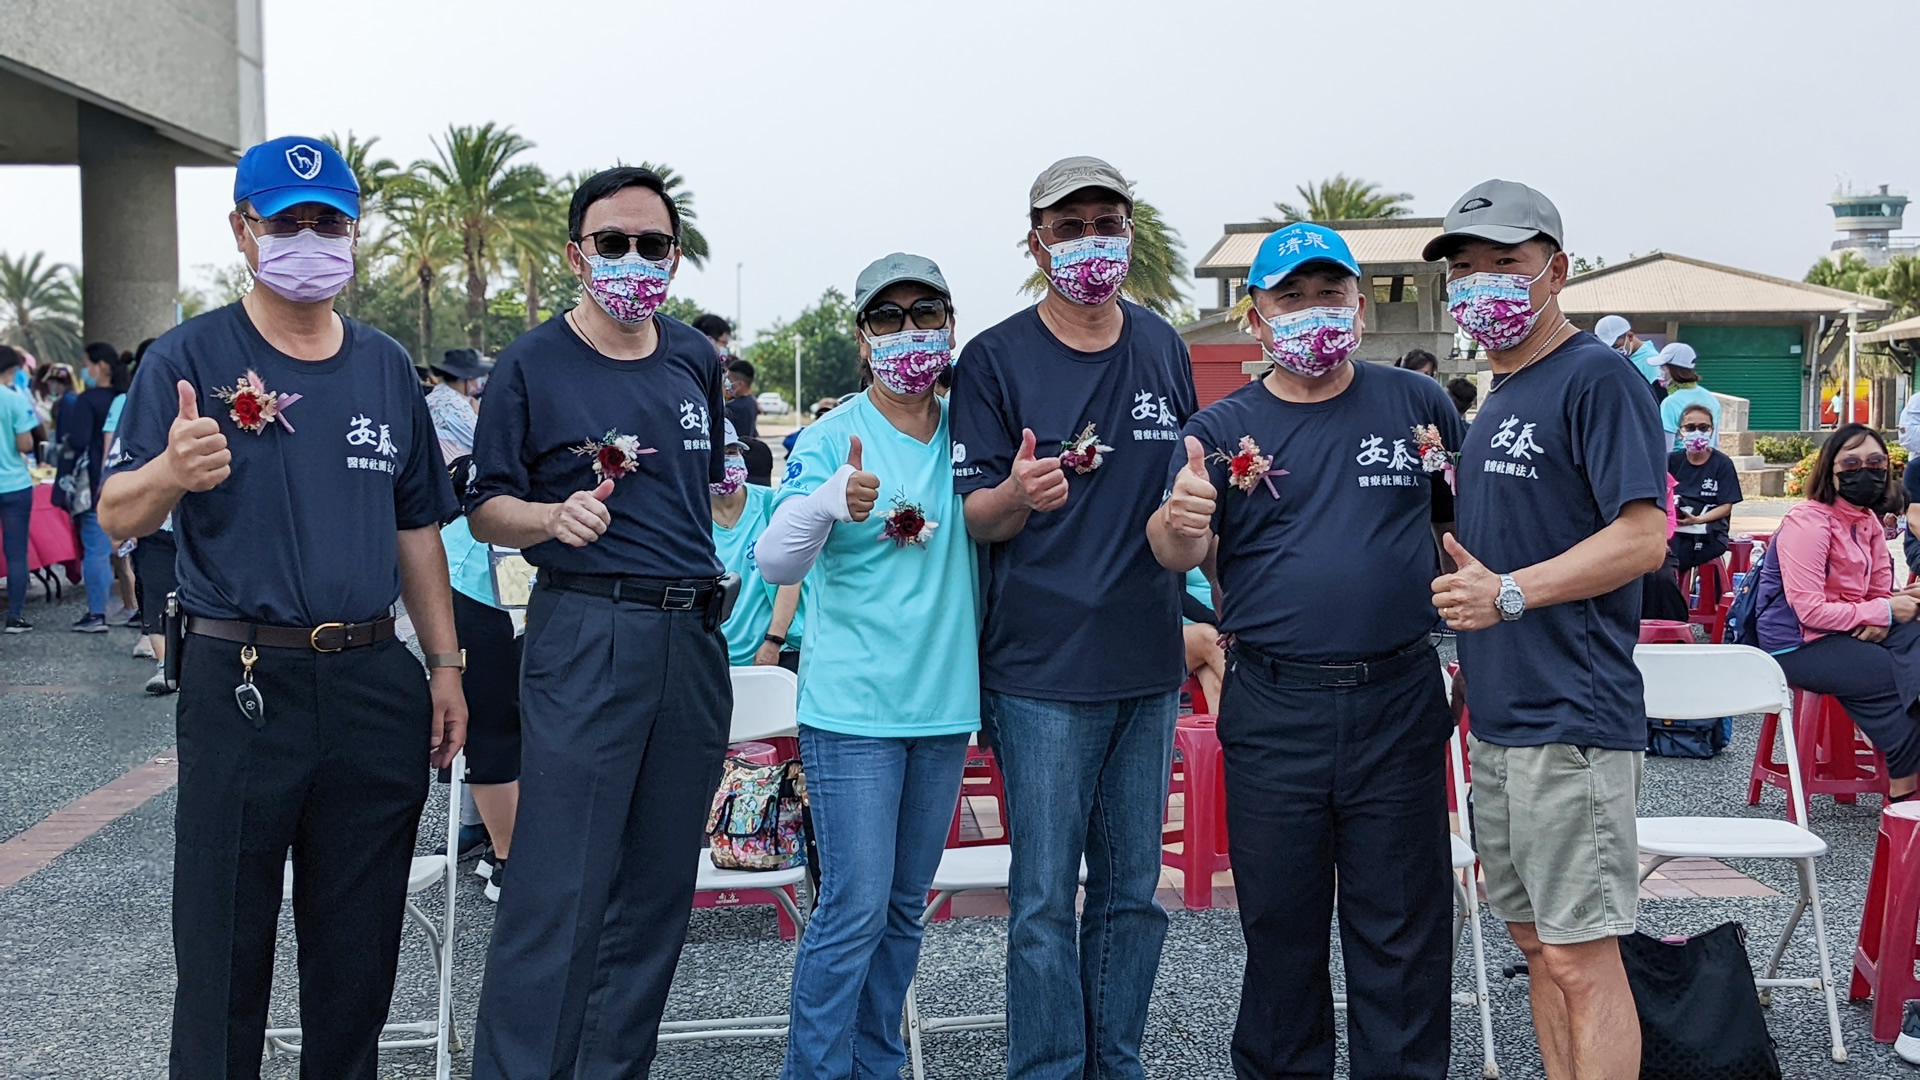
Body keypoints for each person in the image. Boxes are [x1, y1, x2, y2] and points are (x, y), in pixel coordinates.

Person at [96, 134, 467, 1079]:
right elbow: (117, 513)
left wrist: (445, 665)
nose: (311, 240)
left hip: (371, 678)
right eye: (287, 222)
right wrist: (170, 472)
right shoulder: (189, 356)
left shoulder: (385, 366)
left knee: (357, 953)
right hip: (242, 678)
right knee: (222, 942)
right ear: (243, 230)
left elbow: (416, 526)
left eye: (329, 223)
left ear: (355, 233)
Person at [1148, 223, 1464, 1080]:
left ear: (1359, 306)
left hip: (1397, 696)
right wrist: (1179, 523)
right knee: (1281, 929)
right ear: (1256, 316)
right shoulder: (1220, 429)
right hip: (1274, 704)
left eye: (1330, 293)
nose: (1313, 311)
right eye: (1291, 297)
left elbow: (1453, 531)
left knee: (1402, 930)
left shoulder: (1419, 405)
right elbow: (1176, 548)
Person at [466, 166, 731, 1079]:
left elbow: (707, 497)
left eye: (651, 244)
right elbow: (485, 507)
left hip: (692, 640)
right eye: (612, 242)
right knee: (559, 889)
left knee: (657, 894)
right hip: (590, 631)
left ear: (675, 256)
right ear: (577, 254)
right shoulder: (532, 363)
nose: (632, 259)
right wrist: (550, 517)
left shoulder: (693, 357)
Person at [948, 155, 1196, 1080]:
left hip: (1146, 661)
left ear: (1129, 232)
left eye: (1107, 223)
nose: (1092, 241)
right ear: (1036, 243)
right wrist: (1016, 494)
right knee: (1045, 900)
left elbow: (1187, 488)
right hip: (1040, 672)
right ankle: (1047, 1067)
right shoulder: (995, 358)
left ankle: (1116, 1063)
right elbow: (974, 516)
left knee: (1134, 895)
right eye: (1070, 226)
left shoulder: (1162, 345)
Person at [1426, 179, 1668, 1080]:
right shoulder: (1502, 392)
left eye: (1506, 262)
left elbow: (1643, 537)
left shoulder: (1596, 377)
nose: (1481, 283)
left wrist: (1510, 595)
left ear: (1556, 271)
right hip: (1503, 717)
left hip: (1573, 718)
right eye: (1465, 269)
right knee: (1535, 943)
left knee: (1580, 955)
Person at [755, 252, 978, 1080]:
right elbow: (775, 561)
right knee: (852, 909)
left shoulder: (972, 432)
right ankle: (815, 1071)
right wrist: (826, 501)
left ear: (950, 325)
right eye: (888, 317)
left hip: (944, 707)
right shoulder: (830, 438)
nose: (908, 331)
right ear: (862, 337)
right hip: (853, 714)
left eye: (926, 314)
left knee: (905, 908)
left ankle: (879, 1061)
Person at [1760, 424, 1920, 801]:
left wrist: (1887, 611)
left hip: (1846, 628)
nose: (1865, 472)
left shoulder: (1867, 523)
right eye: (1851, 464)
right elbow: (1808, 610)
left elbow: (1878, 591)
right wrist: (1882, 611)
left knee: (1914, 638)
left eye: (1875, 463)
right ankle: (1903, 789)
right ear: (1829, 470)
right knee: (1893, 676)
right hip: (1797, 643)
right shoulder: (1809, 522)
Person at [428, 344, 521, 904]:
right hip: (477, 579)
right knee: (493, 719)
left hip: (541, 584)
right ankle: (509, 858)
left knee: (535, 722)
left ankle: (506, 844)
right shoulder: (467, 420)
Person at [710, 418, 802, 670]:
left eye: (733, 451)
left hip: (773, 653)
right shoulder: (691, 515)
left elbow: (791, 576)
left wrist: (774, 640)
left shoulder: (771, 504)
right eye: (718, 454)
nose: (728, 461)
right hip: (712, 658)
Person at [55, 342, 128, 632]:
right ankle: (132, 607)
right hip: (126, 479)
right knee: (123, 550)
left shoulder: (88, 401)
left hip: (96, 483)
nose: (85, 370)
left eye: (88, 364)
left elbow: (78, 441)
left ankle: (97, 612)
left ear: (101, 367)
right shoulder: (124, 397)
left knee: (95, 549)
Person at [0, 345, 43, 634]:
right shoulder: (15, 400)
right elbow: (25, 444)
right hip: (15, 484)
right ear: (13, 369)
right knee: (16, 553)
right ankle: (15, 617)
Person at [1668, 405, 1743, 571]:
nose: (1697, 432)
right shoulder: (1671, 461)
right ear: (1680, 432)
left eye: (1703, 428)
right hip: (1673, 530)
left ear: (1712, 431)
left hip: (1709, 534)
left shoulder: (1722, 464)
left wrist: (1697, 520)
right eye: (1690, 428)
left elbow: (1726, 506)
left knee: (1679, 556)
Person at [425, 347, 489, 462]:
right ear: (468, 378)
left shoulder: (433, 397)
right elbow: (484, 441)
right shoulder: (455, 405)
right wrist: (478, 413)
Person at [1657, 342, 1719, 450]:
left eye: (1662, 366)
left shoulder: (1670, 403)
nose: (1659, 370)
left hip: (1680, 460)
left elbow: (1666, 449)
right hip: (1708, 460)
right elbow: (1715, 443)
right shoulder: (1712, 399)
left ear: (1672, 369)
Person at [1593, 314, 1663, 385]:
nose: (1613, 351)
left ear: (1630, 336)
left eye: (1615, 346)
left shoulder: (1650, 361)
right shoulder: (1620, 358)